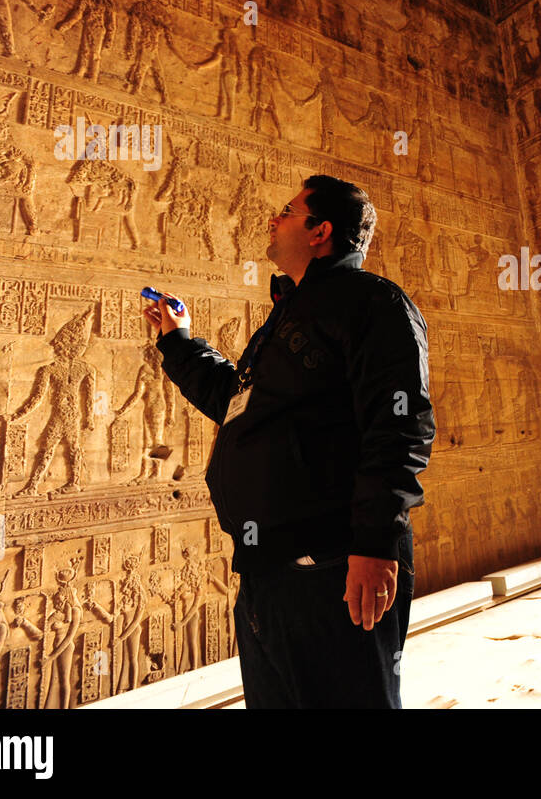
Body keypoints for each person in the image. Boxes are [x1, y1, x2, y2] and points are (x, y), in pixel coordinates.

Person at [144, 175, 434, 708]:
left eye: (287, 210)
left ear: (320, 231)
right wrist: (179, 342)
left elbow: (399, 426)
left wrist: (373, 544)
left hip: (331, 562)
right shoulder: (289, 315)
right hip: (266, 566)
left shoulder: (373, 302)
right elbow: (239, 405)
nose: (273, 220)